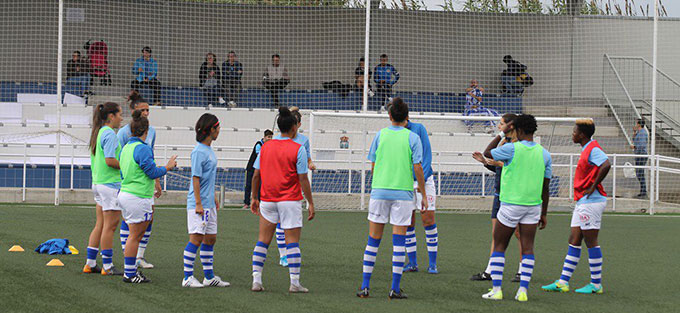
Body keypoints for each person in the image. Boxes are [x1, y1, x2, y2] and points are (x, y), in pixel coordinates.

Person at [357, 98, 427, 300]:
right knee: (399, 242)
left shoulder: (380, 135)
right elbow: (418, 168)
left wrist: (379, 182)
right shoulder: (413, 137)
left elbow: (373, 164)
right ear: (407, 117)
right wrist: (422, 194)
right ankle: (394, 289)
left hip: (379, 191)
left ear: (389, 116)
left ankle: (365, 287)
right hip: (403, 194)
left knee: (373, 241)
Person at [478, 114, 552, 302]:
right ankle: (523, 292)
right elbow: (546, 187)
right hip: (533, 207)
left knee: (500, 245)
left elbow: (487, 153)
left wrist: (501, 133)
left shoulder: (511, 149)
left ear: (516, 130)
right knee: (528, 248)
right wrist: (543, 212)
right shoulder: (544, 153)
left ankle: (497, 289)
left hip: (511, 205)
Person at [249, 106, 315, 293]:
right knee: (292, 242)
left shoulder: (266, 146)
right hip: (290, 201)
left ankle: (256, 280)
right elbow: (303, 179)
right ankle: (294, 283)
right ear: (294, 128)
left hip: (268, 199)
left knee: (262, 241)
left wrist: (255, 198)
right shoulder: (298, 148)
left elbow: (256, 175)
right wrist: (310, 202)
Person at [542, 119, 611, 295]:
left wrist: (594, 185)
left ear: (582, 134)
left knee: (590, 241)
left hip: (592, 202)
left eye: (574, 131)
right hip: (583, 202)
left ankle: (596, 284)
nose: (572, 134)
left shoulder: (592, 148)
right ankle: (563, 282)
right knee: (573, 239)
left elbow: (606, 164)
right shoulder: (586, 149)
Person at [118, 110, 177, 283]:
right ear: (146, 130)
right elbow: (151, 172)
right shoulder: (142, 149)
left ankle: (131, 271)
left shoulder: (126, 148)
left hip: (125, 193)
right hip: (138, 196)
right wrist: (168, 167)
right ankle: (129, 273)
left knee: (132, 233)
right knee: (135, 236)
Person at [470, 113, 524, 283]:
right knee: (496, 235)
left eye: (502, 124)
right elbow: (494, 164)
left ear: (511, 126)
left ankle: (523, 270)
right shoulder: (505, 143)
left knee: (519, 233)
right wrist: (486, 163)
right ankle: (490, 270)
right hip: (499, 194)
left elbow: (517, 170)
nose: (499, 127)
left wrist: (497, 162)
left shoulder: (519, 146)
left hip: (514, 196)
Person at [181, 113, 231, 288]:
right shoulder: (198, 152)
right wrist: (199, 203)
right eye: (218, 128)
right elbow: (195, 178)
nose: (219, 131)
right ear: (211, 130)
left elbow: (208, 178)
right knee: (195, 239)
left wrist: (214, 196)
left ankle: (209, 277)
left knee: (210, 239)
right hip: (199, 204)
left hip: (209, 203)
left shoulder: (209, 150)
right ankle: (187, 277)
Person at [118, 91, 159, 270]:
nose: (146, 113)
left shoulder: (152, 132)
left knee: (148, 218)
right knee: (129, 220)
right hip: (131, 184)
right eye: (143, 110)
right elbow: (122, 157)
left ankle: (139, 255)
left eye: (148, 110)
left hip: (145, 183)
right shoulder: (124, 133)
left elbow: (150, 156)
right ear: (134, 110)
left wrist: (156, 181)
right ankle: (128, 255)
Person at [82, 102, 124, 276]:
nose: (122, 118)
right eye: (120, 114)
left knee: (100, 224)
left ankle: (90, 263)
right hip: (109, 184)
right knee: (110, 226)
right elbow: (109, 160)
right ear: (111, 116)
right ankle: (107, 265)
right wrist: (127, 167)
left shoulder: (98, 132)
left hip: (98, 183)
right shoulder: (110, 134)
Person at [272, 107, 316, 267]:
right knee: (279, 223)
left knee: (291, 225)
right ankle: (283, 255)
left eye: (297, 124)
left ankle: (290, 254)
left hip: (294, 187)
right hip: (280, 185)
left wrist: (310, 164)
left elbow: (308, 158)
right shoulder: (278, 139)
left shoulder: (303, 141)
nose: (295, 127)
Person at [403, 116, 438, 274]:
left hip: (424, 179)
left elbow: (425, 155)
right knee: (408, 222)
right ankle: (412, 263)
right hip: (404, 182)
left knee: (428, 219)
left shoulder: (419, 129)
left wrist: (420, 179)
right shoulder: (395, 133)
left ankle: (432, 264)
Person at [244, 129, 274, 209]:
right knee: (249, 185)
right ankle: (246, 203)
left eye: (271, 137)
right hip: (251, 168)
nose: (270, 139)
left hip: (260, 169)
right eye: (268, 137)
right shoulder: (259, 144)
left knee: (259, 186)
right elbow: (260, 156)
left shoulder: (269, 146)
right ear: (264, 137)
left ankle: (259, 202)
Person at [631, 119, 649, 198]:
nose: (635, 124)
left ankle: (643, 192)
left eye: (636, 123)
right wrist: (634, 132)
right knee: (639, 173)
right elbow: (634, 140)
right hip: (639, 154)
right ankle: (642, 191)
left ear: (639, 124)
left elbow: (642, 145)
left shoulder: (642, 133)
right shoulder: (639, 133)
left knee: (640, 173)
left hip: (641, 155)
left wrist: (634, 147)